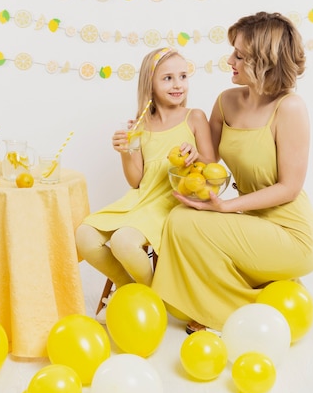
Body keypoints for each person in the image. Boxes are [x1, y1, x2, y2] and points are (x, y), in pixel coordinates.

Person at [151, 11, 313, 334]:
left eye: (239, 55)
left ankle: (232, 313)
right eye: (233, 50)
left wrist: (227, 206)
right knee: (180, 218)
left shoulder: (290, 108)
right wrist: (189, 154)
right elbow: (209, 160)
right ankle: (222, 302)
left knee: (186, 222)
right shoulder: (226, 101)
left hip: (292, 231)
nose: (229, 59)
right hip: (253, 220)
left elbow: (289, 187)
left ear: (264, 61)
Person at [75, 47, 216, 321]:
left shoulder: (194, 117)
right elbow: (136, 180)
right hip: (141, 199)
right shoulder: (140, 124)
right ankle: (131, 288)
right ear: (149, 83)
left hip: (173, 202)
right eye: (168, 78)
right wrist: (126, 151)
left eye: (183, 76)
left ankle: (153, 297)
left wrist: (195, 155)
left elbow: (212, 165)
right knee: (84, 235)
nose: (178, 84)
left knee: (124, 241)